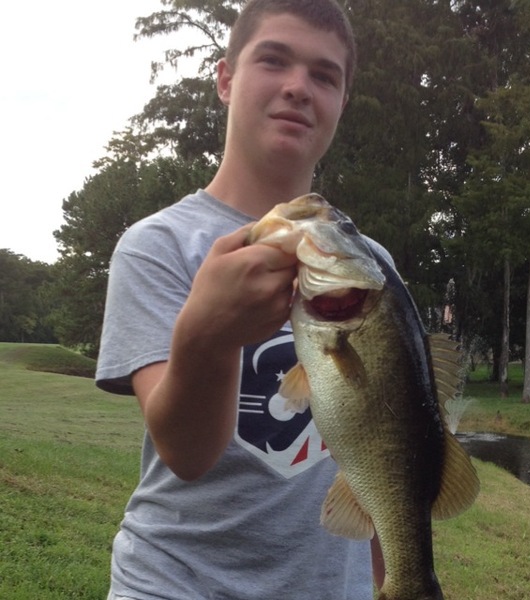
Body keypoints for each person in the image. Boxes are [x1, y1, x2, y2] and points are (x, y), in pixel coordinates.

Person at [96, 1, 386, 598]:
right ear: (226, 79)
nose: (298, 87)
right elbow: (188, 453)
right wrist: (208, 332)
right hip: (175, 584)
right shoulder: (158, 247)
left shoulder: (370, 268)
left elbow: (383, 451)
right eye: (273, 60)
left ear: (342, 103)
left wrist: (397, 578)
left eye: (324, 75)